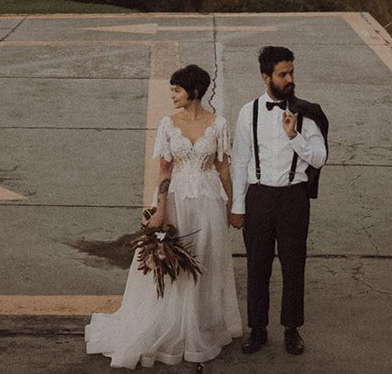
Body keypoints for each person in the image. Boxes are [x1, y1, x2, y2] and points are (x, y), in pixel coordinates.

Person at [86, 64, 241, 369]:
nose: (172, 95)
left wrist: (232, 206)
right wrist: (160, 208)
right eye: (172, 89)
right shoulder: (168, 124)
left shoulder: (218, 124)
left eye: (177, 90)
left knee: (205, 260)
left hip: (208, 201)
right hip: (177, 199)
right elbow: (164, 171)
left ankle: (199, 326)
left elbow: (223, 168)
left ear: (194, 92)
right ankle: (168, 329)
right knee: (174, 266)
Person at [228, 45, 328, 357]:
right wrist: (238, 207)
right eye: (282, 74)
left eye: (291, 72)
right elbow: (240, 161)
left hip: (293, 198)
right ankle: (257, 329)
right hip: (258, 197)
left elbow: (320, 157)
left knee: (293, 265)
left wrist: (293, 136)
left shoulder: (305, 112)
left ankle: (292, 329)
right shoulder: (249, 112)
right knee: (257, 266)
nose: (289, 79)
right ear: (265, 77)